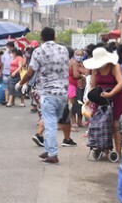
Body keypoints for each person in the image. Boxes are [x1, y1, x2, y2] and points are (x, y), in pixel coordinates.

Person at [18, 27, 70, 164]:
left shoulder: (39, 51)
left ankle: (53, 154)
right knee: (52, 122)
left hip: (48, 93)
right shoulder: (63, 50)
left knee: (50, 123)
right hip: (63, 93)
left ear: (41, 38)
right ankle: (48, 149)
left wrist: (21, 83)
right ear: (55, 37)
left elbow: (30, 72)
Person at [83, 47, 122, 159]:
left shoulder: (115, 67)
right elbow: (93, 86)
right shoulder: (95, 69)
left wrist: (111, 93)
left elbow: (121, 82)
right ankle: (105, 150)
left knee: (116, 125)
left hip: (118, 97)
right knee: (102, 124)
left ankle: (118, 152)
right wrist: (90, 99)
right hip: (101, 99)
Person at [69, 49, 88, 128]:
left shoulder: (82, 63)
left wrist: (82, 72)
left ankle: (79, 122)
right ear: (74, 54)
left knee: (80, 103)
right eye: (78, 54)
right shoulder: (73, 62)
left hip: (80, 85)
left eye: (81, 55)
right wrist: (82, 75)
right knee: (74, 104)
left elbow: (86, 71)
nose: (79, 56)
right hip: (73, 85)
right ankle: (74, 121)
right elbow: (76, 75)